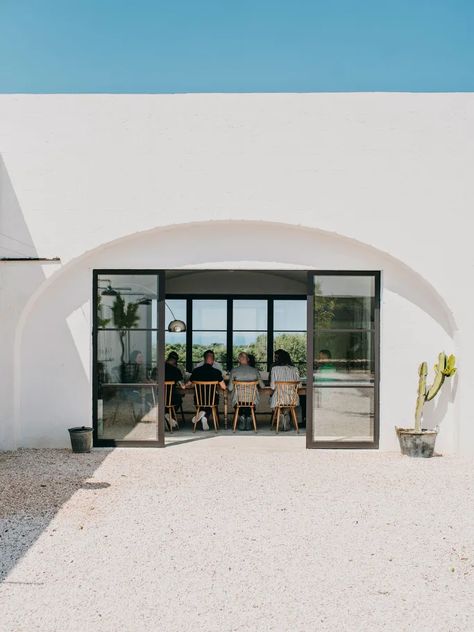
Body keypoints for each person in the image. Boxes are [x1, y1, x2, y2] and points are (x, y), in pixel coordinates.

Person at [187, 350, 226, 430]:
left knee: (201, 403)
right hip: (212, 398)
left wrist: (184, 386)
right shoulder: (217, 372)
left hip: (199, 398)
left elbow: (189, 384)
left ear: (204, 359)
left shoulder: (196, 371)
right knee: (211, 402)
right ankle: (205, 415)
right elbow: (224, 387)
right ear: (212, 360)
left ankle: (202, 413)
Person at [228, 352, 264, 431]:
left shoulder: (234, 371)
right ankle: (248, 416)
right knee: (250, 402)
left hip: (238, 399)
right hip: (252, 400)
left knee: (238, 401)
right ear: (248, 359)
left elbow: (230, 388)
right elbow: (262, 386)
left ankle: (242, 416)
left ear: (238, 360)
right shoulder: (255, 370)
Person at [270, 349, 300, 431]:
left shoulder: (275, 369)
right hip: (292, 398)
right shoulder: (295, 369)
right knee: (288, 402)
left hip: (278, 398)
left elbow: (272, 387)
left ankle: (281, 415)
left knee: (276, 400)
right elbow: (299, 386)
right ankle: (286, 414)